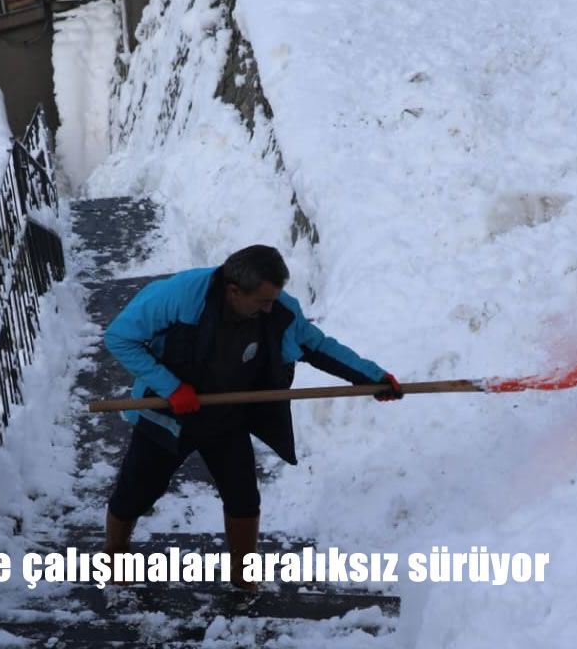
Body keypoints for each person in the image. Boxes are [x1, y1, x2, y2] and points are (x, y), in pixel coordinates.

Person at [101, 245, 402, 590]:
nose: (269, 308)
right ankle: (115, 554)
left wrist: (371, 377)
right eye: (262, 301)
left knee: (243, 497)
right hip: (167, 416)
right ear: (234, 291)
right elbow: (119, 338)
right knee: (137, 491)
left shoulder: (280, 312)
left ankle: (243, 576)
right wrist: (171, 388)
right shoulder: (180, 296)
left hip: (227, 418)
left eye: (273, 299)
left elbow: (317, 346)